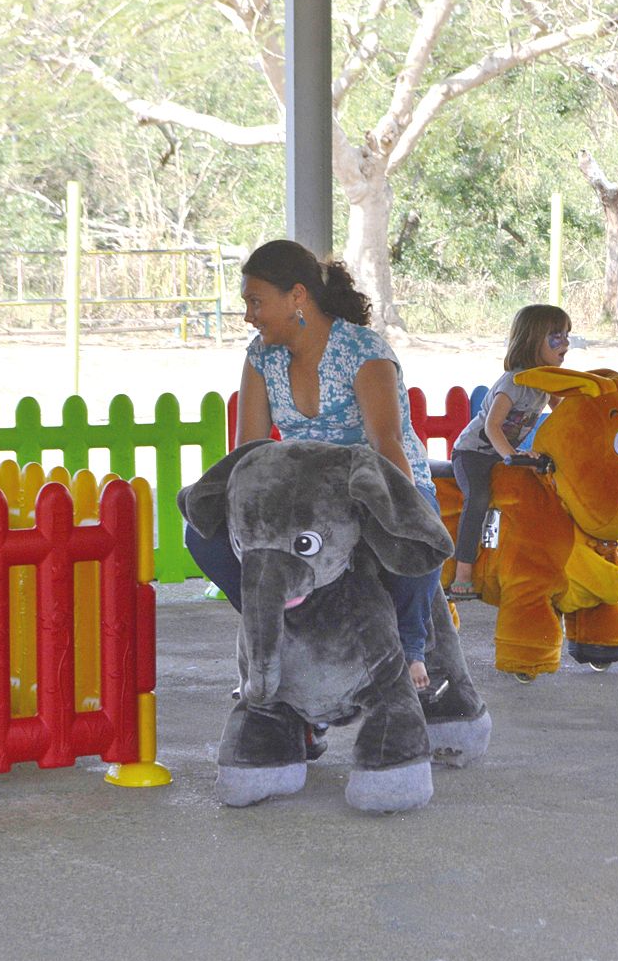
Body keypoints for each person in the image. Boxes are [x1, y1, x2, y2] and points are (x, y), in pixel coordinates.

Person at [185, 239, 440, 691]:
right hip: (302, 499)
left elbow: (388, 444)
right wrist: (222, 505)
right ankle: (284, 628)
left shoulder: (364, 351)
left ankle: (410, 648)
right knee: (202, 535)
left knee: (415, 527)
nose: (248, 316)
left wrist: (406, 509)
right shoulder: (261, 357)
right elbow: (250, 448)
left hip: (373, 483)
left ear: (297, 297)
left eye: (256, 302)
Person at [446, 304, 571, 601]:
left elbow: (563, 414)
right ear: (532, 339)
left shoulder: (547, 382)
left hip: (505, 454)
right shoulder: (513, 382)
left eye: (567, 335)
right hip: (474, 453)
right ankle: (463, 572)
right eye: (556, 337)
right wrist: (511, 457)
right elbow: (492, 426)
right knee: (478, 497)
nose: (565, 343)